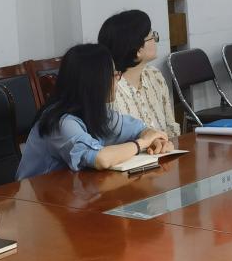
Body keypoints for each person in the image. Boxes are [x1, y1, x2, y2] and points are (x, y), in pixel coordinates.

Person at [17, 43, 172, 176]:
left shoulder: (96, 112)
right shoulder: (61, 123)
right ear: (95, 82)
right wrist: (142, 143)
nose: (118, 80)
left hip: (72, 192)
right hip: (37, 199)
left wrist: (155, 140)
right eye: (114, 75)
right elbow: (100, 159)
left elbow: (139, 129)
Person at [98, 9, 180, 139]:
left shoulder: (154, 75)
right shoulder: (110, 89)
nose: (156, 39)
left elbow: (171, 127)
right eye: (152, 36)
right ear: (137, 50)